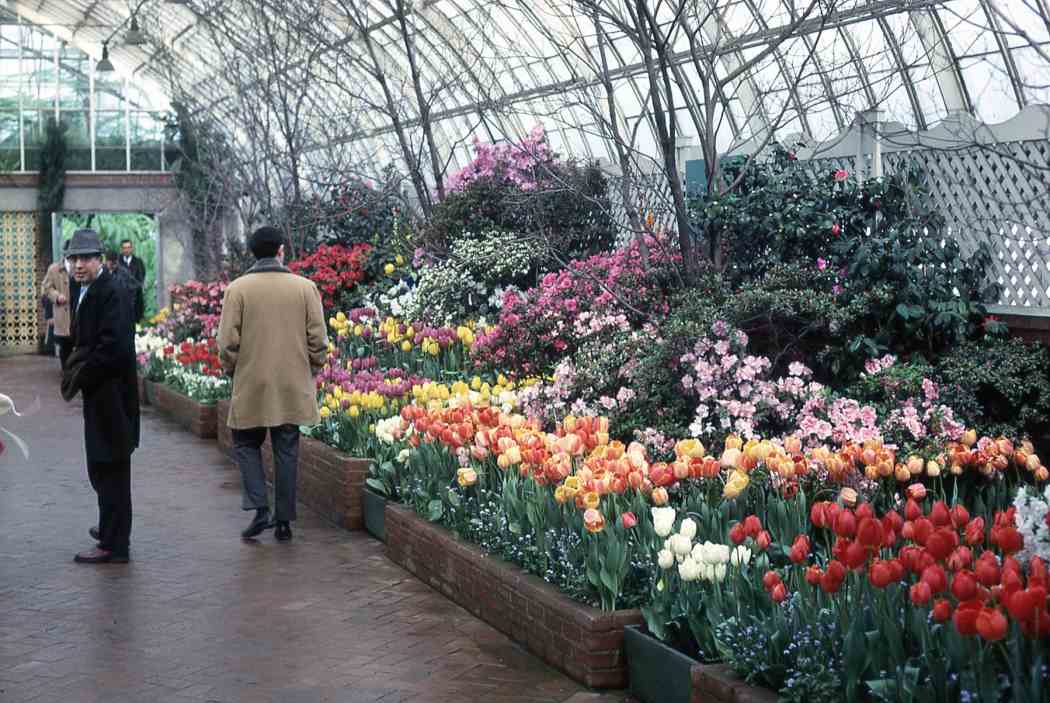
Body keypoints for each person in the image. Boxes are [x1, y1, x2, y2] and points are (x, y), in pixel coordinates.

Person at [217, 226, 328, 542]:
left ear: (252, 252)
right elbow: (318, 339)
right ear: (281, 250)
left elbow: (227, 343)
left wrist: (233, 370)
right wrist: (312, 369)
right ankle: (284, 522)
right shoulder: (305, 288)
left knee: (245, 443)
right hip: (292, 383)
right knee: (287, 449)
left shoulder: (237, 289)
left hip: (252, 381)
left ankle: (259, 507)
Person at [63, 229, 139, 564]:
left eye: (85, 258)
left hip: (112, 397)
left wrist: (82, 374)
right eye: (73, 258)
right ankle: (111, 528)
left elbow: (114, 348)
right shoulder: (88, 288)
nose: (78, 265)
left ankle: (114, 544)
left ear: (99, 259)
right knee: (102, 466)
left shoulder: (112, 290)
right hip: (102, 395)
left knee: (111, 467)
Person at [40, 240, 72, 366]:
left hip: (78, 315)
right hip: (62, 316)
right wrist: (57, 296)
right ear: (64, 252)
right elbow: (46, 288)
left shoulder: (80, 267)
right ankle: (67, 374)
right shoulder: (54, 269)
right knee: (65, 347)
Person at [106, 250, 145, 322]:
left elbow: (135, 287)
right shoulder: (103, 271)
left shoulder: (124, 273)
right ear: (106, 262)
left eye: (115, 263)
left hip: (121, 307)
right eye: (111, 264)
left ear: (117, 262)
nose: (113, 266)